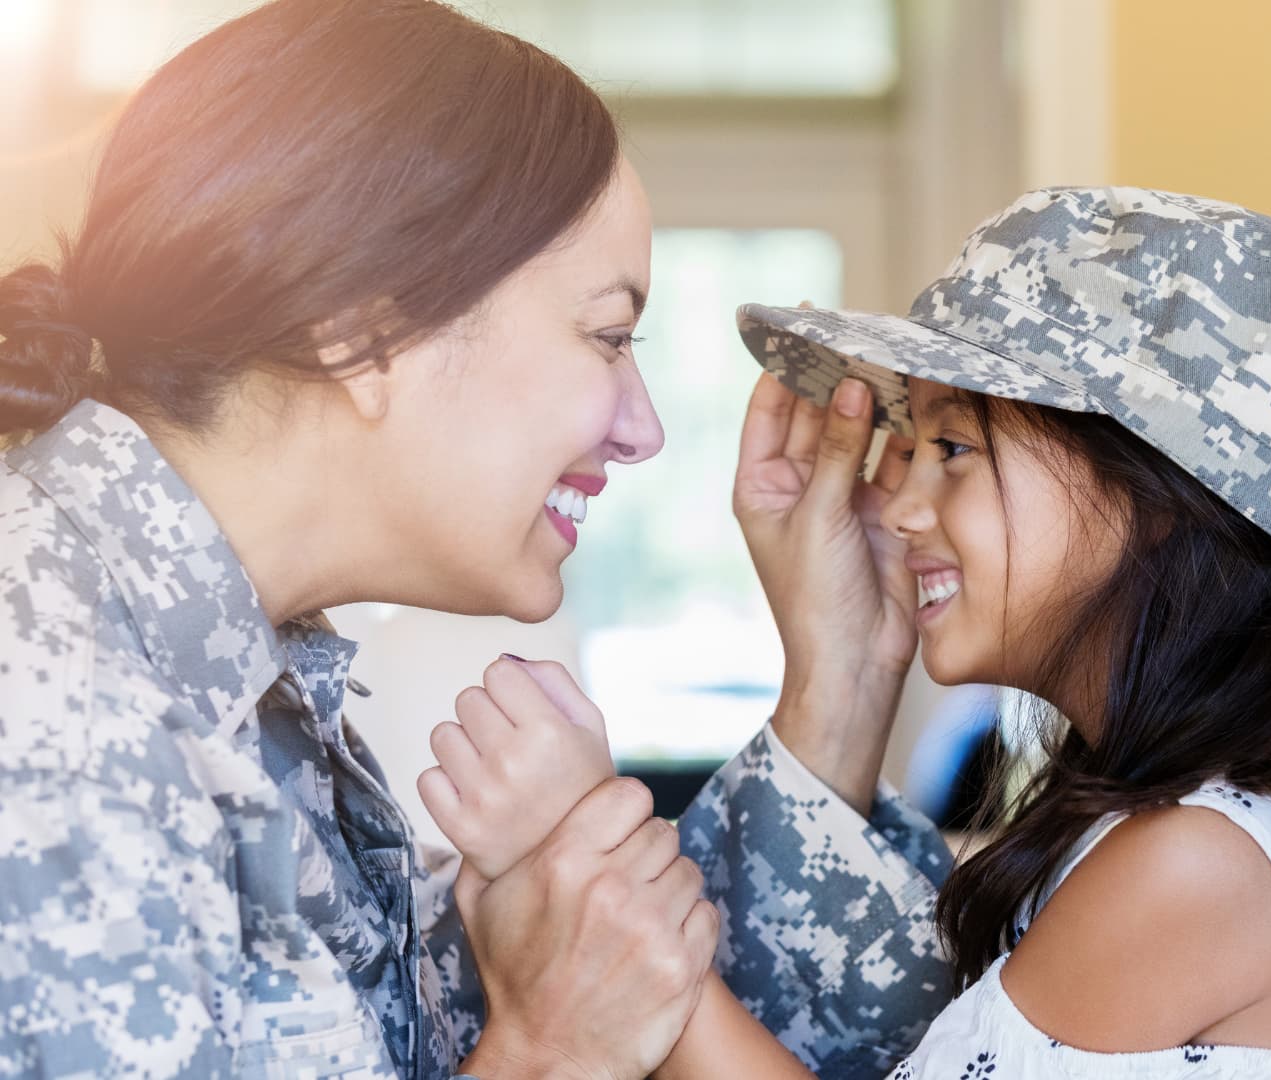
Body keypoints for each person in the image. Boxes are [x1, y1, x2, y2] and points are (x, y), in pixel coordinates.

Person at [0, 2, 949, 1076]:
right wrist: (546, 1056)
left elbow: (645, 994)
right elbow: (574, 1024)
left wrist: (838, 683)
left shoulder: (244, 693)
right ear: (365, 330)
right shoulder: (52, 708)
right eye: (605, 337)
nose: (643, 430)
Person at [422, 187, 1271, 1079]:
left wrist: (594, 874)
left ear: (1163, 494)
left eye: (955, 450)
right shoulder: (1230, 823)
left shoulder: (1194, 863)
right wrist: (841, 658)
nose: (897, 505)